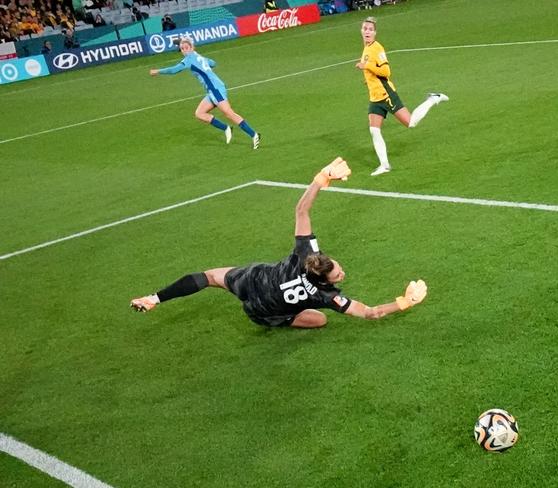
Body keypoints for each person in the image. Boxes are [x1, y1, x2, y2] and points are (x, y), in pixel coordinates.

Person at [130, 158, 428, 327]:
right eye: (338, 274)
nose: (342, 274)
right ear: (325, 279)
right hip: (265, 311)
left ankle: (153, 299)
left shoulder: (305, 254)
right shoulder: (328, 297)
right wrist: (404, 302)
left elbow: (301, 210)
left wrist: (322, 177)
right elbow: (370, 312)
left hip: (251, 280)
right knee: (320, 322)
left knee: (208, 277)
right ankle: (283, 321)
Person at [355, 16, 448, 176]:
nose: (367, 31)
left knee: (410, 123)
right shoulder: (366, 48)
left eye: (370, 29)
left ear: (375, 32)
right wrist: (368, 80)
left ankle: (433, 98)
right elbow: (373, 73)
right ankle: (384, 165)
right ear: (361, 31)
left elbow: (386, 71)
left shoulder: (377, 48)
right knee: (374, 130)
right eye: (365, 29)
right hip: (375, 97)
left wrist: (367, 66)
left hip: (386, 95)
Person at [149, 37, 261, 149]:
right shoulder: (198, 57)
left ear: (192, 47)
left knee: (228, 113)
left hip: (215, 89)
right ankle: (226, 128)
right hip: (212, 90)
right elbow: (213, 63)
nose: (184, 50)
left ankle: (254, 135)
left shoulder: (189, 59)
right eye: (182, 48)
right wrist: (203, 63)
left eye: (186, 48)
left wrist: (157, 71)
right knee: (199, 114)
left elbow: (174, 70)